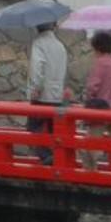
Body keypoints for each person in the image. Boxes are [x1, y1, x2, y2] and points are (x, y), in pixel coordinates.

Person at [80, 30, 111, 172]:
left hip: (101, 111)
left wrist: (88, 101)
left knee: (90, 144)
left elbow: (92, 88)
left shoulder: (100, 63)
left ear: (97, 47)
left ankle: (91, 173)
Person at [25, 20, 68, 163]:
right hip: (57, 94)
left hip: (41, 94)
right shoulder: (60, 45)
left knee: (34, 127)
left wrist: (35, 88)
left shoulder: (39, 43)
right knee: (52, 129)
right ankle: (57, 156)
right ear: (53, 26)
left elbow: (37, 68)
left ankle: (46, 155)